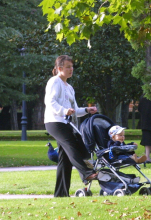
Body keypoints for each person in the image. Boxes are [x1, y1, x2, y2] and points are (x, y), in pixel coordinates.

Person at [44, 55, 98, 197]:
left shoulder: (69, 87)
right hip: (54, 122)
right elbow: (50, 102)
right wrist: (63, 111)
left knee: (65, 159)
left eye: (72, 67)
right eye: (68, 67)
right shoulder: (54, 81)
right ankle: (86, 173)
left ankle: (61, 193)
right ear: (59, 68)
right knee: (71, 146)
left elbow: (74, 111)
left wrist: (86, 110)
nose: (71, 69)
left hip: (66, 123)